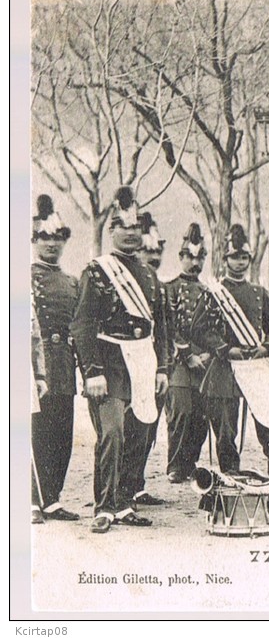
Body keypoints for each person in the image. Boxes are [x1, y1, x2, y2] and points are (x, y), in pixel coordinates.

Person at [70, 187, 169, 534]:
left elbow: (161, 328)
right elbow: (82, 325)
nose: (129, 232)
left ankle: (126, 502)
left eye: (135, 226)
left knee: (139, 434)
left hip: (142, 362)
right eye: (122, 226)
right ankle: (105, 505)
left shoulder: (150, 276)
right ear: (112, 229)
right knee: (112, 433)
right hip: (109, 364)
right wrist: (92, 371)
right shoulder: (96, 272)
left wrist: (161, 368)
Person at [191, 224, 269, 480]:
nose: (240, 262)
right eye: (235, 257)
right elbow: (198, 328)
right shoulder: (214, 294)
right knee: (226, 428)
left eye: (244, 257)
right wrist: (225, 349)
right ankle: (231, 475)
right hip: (226, 366)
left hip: (254, 363)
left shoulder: (258, 292)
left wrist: (267, 346)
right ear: (225, 259)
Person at [30, 195, 81, 523]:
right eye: (44, 238)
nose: (52, 244)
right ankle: (30, 500)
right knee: (34, 431)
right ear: (34, 240)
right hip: (36, 362)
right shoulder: (22, 277)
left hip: (64, 363)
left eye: (57, 238)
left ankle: (52, 498)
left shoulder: (73, 282)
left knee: (62, 433)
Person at [118, 212, 169, 508]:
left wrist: (163, 367)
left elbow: (164, 331)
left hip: (152, 367)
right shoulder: (126, 283)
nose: (153, 256)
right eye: (147, 250)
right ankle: (121, 489)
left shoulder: (157, 285)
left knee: (147, 430)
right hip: (126, 365)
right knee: (128, 429)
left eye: (157, 250)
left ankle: (136, 485)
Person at [163, 223, 214, 484]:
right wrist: (188, 356)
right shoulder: (169, 289)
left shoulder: (209, 292)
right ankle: (175, 464)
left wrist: (207, 355)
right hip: (180, 362)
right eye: (190, 257)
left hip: (204, 361)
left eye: (199, 258)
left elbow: (214, 328)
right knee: (181, 411)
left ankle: (190, 462)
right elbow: (169, 326)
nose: (194, 263)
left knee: (200, 416)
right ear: (181, 258)